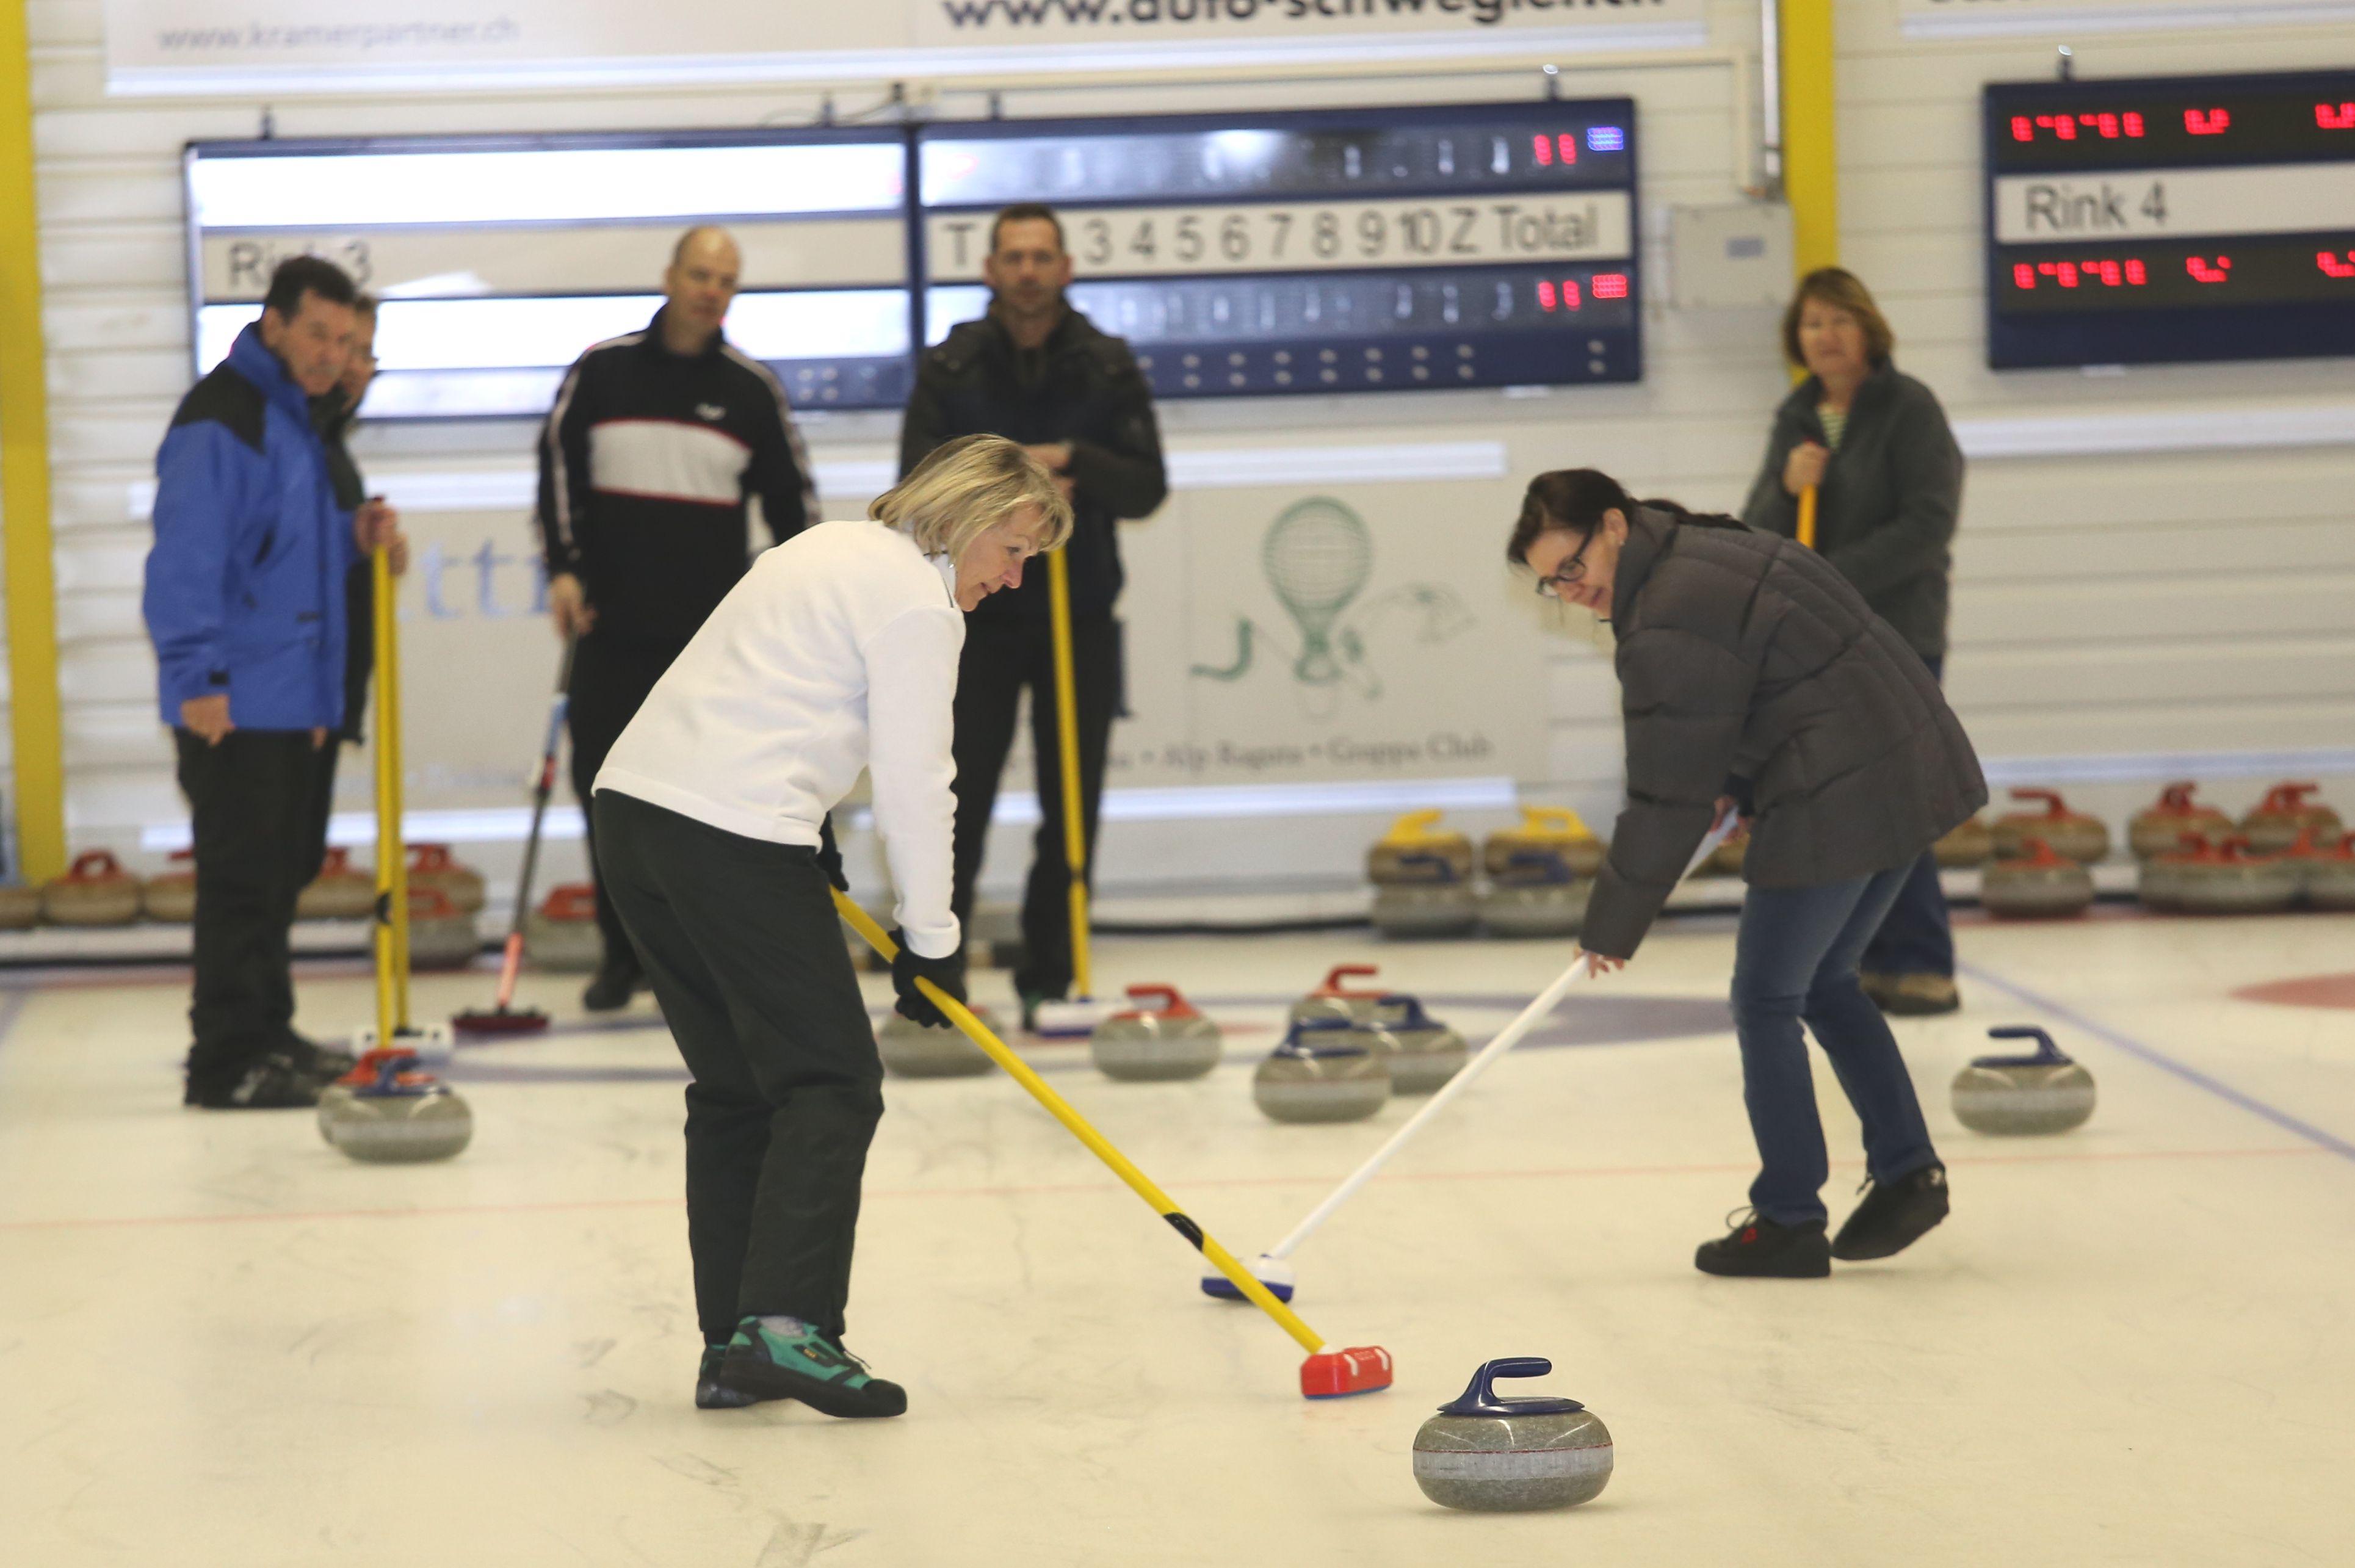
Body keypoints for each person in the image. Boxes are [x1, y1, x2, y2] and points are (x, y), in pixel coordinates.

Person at [591, 435, 1071, 1417]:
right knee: (831, 1081)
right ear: (968, 516)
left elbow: (760, 693)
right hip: (730, 831)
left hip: (636, 814)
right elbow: (917, 783)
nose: (1014, 578)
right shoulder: (917, 602)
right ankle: (787, 1327)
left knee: (737, 1087)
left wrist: (812, 832)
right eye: (1015, 551)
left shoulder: (820, 546)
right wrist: (932, 941)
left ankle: (733, 1345)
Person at [1509, 469, 1985, 1277]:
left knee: (1766, 998)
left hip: (1842, 790)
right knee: (1826, 981)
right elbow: (1763, 686)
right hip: (1905, 763)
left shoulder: (1663, 615)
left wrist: (1611, 923)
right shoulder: (1705, 547)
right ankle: (1908, 1171)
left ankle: (1788, 1219)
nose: (1570, 590)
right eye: (1550, 582)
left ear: (1614, 526)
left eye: (1572, 566)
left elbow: (1667, 793)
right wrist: (1739, 782)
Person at [145, 256, 407, 1110]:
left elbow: (285, 551)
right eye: (318, 334)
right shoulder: (224, 418)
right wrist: (198, 677)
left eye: (346, 339)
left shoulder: (294, 420)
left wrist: (351, 533)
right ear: (275, 323)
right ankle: (225, 1062)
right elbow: (187, 559)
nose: (333, 353)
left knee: (275, 878)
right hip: (236, 699)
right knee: (241, 885)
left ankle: (270, 1033)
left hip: (291, 698)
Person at [537, 225, 818, 1011]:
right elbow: (556, 468)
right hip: (609, 628)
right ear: (669, 277)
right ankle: (621, 955)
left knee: (702, 802)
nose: (710, 292)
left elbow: (793, 505)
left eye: (725, 280)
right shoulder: (603, 370)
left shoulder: (751, 389)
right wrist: (564, 568)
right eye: (699, 275)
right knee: (607, 794)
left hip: (709, 641)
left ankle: (700, 961)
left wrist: (804, 595)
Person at [899, 203, 1167, 1025]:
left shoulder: (1106, 365)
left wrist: (1076, 463)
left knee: (1071, 804)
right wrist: (1009, 485)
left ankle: (1052, 971)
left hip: (1076, 614)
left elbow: (1146, 486)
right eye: (1012, 257)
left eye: (1040, 256)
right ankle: (938, 977)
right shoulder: (951, 365)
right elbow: (915, 483)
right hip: (975, 617)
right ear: (990, 270)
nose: (1026, 271)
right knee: (957, 796)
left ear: (1064, 268)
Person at [1742, 269, 1967, 1017]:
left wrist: (1831, 581)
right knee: (1844, 802)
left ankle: (1922, 960)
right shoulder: (1797, 416)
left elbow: (1928, 524)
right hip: (1819, 644)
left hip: (1897, 633)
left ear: (1869, 328)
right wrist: (1785, 483)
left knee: (1900, 796)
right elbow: (1759, 531)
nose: (1827, 336)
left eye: (1840, 320)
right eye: (1813, 324)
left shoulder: (1910, 409)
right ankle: (1860, 961)